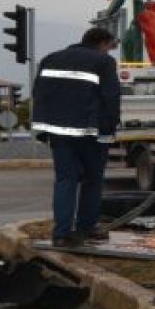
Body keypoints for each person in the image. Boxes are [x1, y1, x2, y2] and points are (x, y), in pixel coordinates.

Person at [32, 27, 121, 247]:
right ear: (102, 43)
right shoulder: (103, 62)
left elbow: (38, 93)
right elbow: (111, 96)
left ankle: (61, 234)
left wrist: (45, 127)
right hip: (89, 132)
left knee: (65, 180)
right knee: (92, 180)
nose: (109, 52)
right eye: (110, 47)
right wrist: (110, 128)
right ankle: (87, 228)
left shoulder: (49, 59)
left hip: (58, 132)